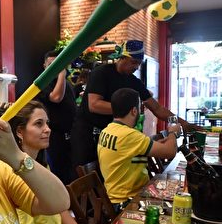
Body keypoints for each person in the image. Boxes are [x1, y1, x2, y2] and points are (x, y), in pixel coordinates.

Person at [71, 40, 198, 170]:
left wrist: (183, 123)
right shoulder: (101, 72)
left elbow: (157, 108)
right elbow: (94, 105)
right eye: (133, 62)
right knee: (86, 171)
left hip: (109, 133)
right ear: (122, 58)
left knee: (113, 168)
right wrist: (126, 109)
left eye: (139, 63)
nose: (136, 67)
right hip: (87, 132)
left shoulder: (133, 81)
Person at [9, 101, 92, 224]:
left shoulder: (39, 164)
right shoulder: (13, 174)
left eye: (47, 123)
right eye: (39, 124)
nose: (47, 129)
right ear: (19, 132)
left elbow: (60, 208)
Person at [98, 88, 180, 209]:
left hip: (115, 197)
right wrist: (173, 132)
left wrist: (153, 145)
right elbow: (170, 152)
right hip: (128, 201)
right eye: (140, 107)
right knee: (177, 205)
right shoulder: (128, 135)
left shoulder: (107, 130)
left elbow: (125, 157)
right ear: (134, 111)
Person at [36, 50, 77, 184]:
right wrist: (62, 74)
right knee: (58, 171)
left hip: (70, 134)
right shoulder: (42, 83)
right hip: (54, 135)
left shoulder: (66, 83)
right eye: (51, 65)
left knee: (70, 171)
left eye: (57, 64)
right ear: (44, 66)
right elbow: (56, 97)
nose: (54, 68)